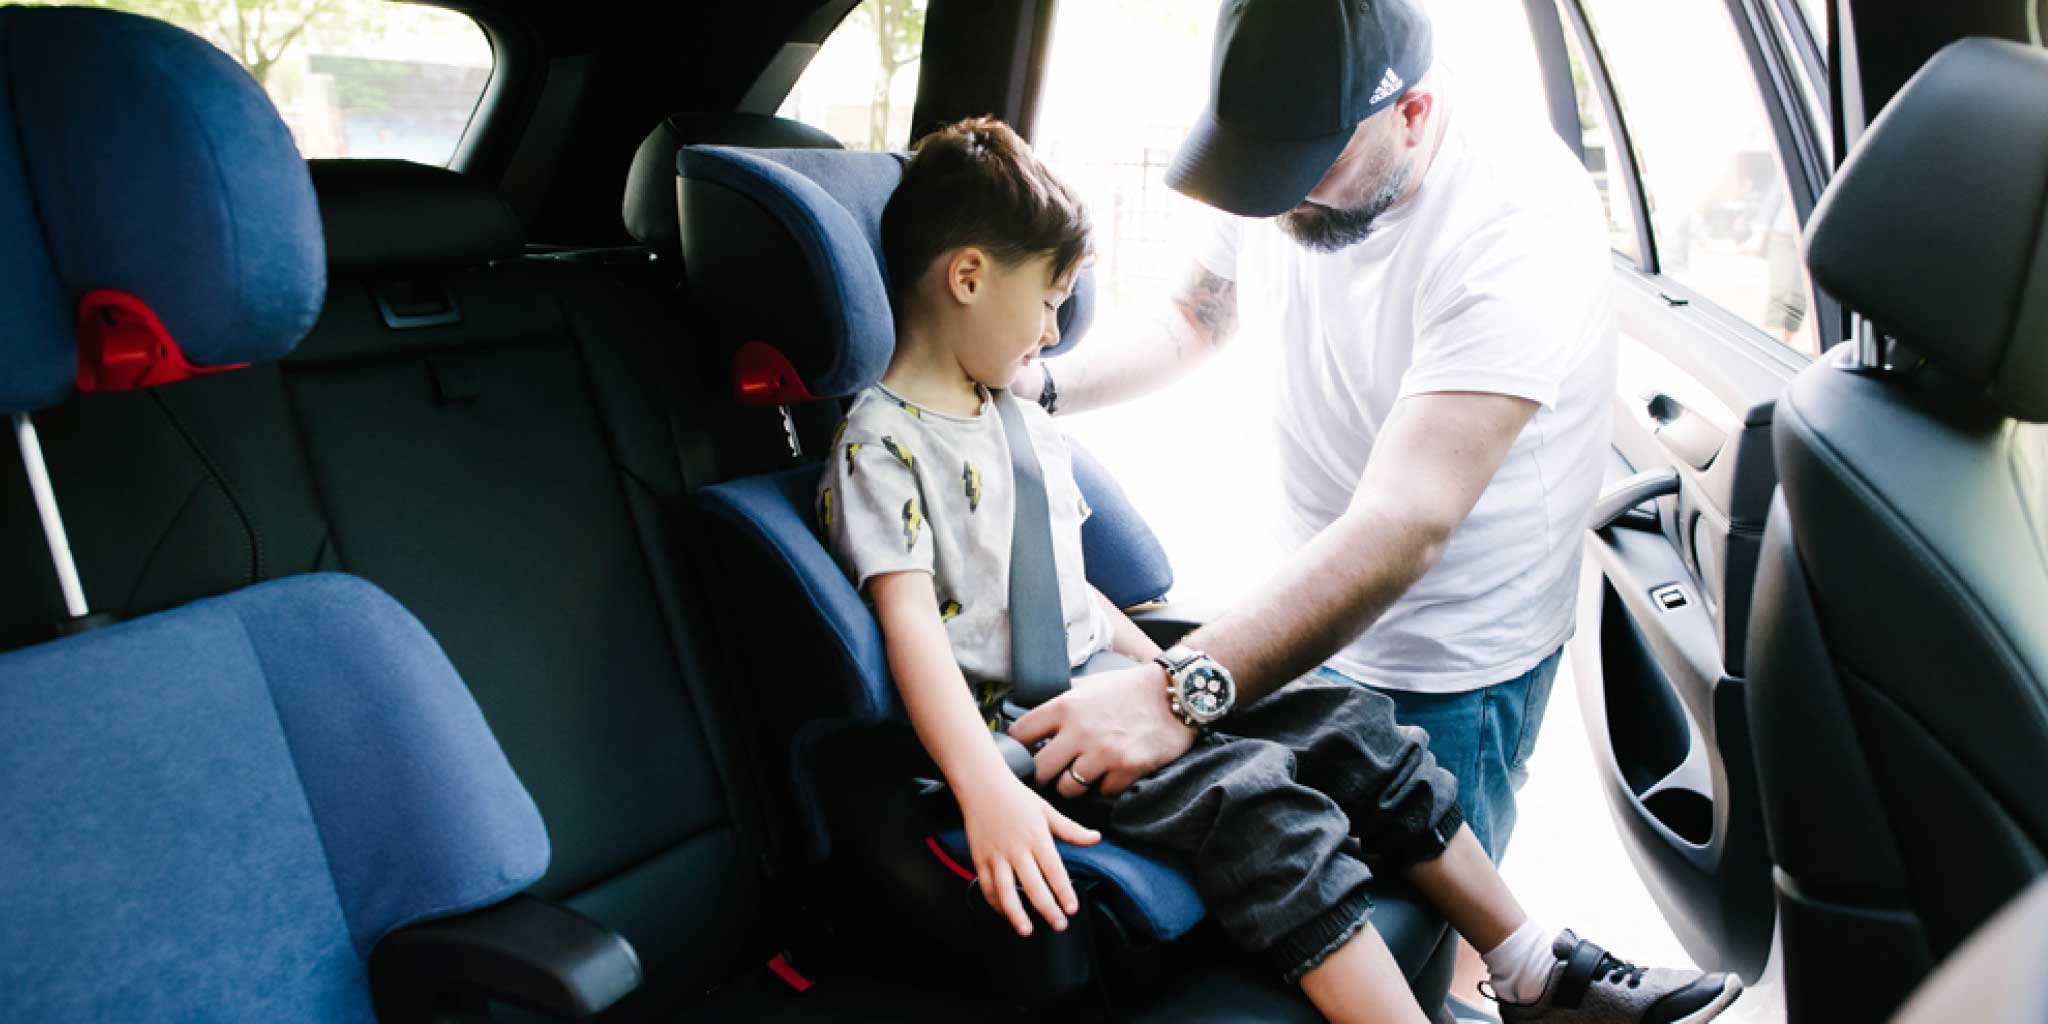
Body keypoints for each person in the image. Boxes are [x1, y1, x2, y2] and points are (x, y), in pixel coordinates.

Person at [820, 116, 1738, 1023]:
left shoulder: (1010, 415)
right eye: (1051, 301)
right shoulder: (884, 446)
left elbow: (1052, 583)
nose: (1057, 332)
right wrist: (986, 790)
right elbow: (914, 634)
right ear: (970, 278)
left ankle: (1531, 967)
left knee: (1345, 721)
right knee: (1261, 805)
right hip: (1024, 730)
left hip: (1097, 677)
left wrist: (1167, 681)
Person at [1010, 0, 1612, 874]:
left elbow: (1407, 519)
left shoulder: (1518, 221)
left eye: (1307, 168)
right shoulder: (1275, 157)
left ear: (1412, 114)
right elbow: (1195, 317)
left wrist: (1180, 690)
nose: (1278, 202)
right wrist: (1040, 386)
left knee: (1423, 919)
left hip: (1451, 653)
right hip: (1305, 606)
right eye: (1259, 169)